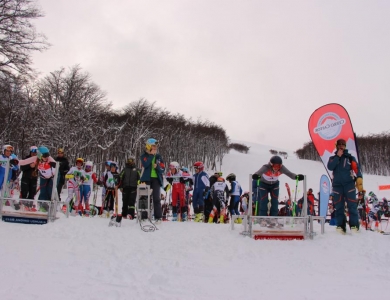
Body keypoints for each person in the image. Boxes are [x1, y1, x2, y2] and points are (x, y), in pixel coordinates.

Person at [327, 138, 363, 234]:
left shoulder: (350, 158)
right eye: (339, 144)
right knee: (339, 206)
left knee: (352, 205)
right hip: (337, 186)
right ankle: (341, 226)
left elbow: (357, 169)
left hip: (349, 185)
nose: (341, 146)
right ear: (337, 146)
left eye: (343, 144)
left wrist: (359, 178)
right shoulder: (332, 158)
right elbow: (330, 167)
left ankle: (354, 225)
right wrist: (337, 157)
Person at [140, 138, 165, 223]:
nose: (155, 148)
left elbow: (162, 169)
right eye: (153, 147)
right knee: (144, 198)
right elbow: (145, 164)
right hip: (146, 179)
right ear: (149, 146)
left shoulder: (158, 157)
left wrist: (157, 167)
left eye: (156, 147)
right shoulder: (143, 156)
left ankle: (158, 217)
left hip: (156, 179)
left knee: (156, 198)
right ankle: (144, 216)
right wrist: (151, 155)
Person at [118, 157, 140, 222]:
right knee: (125, 201)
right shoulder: (124, 169)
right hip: (125, 187)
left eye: (131, 161)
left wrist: (138, 187)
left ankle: (131, 214)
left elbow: (140, 179)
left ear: (134, 161)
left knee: (131, 201)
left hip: (133, 188)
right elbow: (120, 178)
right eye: (129, 161)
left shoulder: (137, 170)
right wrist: (121, 187)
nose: (130, 162)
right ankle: (124, 214)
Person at [37, 146, 57, 211]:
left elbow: (57, 166)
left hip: (51, 177)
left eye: (47, 155)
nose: (46, 157)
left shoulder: (50, 159)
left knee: (50, 191)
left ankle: (50, 206)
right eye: (44, 155)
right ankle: (42, 204)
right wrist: (15, 161)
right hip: (43, 177)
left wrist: (54, 165)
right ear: (39, 155)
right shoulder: (36, 159)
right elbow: (25, 161)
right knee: (43, 191)